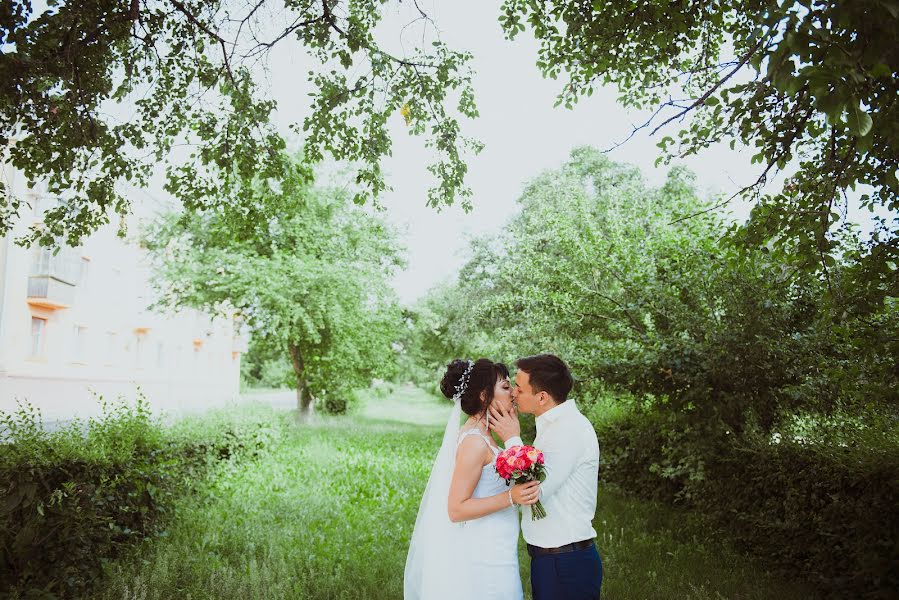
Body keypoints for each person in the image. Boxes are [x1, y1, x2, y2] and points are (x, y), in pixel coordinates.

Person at [404, 358, 541, 599]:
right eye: (506, 387)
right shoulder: (474, 442)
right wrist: (511, 497)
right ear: (483, 395)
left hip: (498, 548)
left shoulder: (486, 436)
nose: (513, 394)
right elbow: (456, 509)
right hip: (485, 556)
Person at [489, 353, 603, 599]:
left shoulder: (568, 430)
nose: (514, 394)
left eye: (519, 388)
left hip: (566, 562)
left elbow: (534, 491)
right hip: (551, 559)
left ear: (542, 397)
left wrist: (511, 438)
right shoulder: (552, 426)